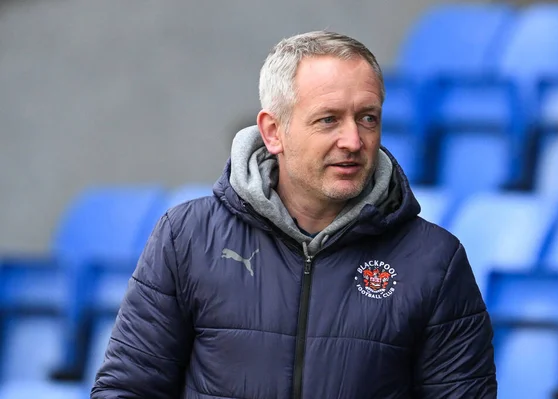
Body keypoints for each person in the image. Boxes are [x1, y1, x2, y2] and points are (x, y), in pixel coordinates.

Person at [91, 30, 496, 399]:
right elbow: (128, 388)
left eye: (367, 118)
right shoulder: (187, 237)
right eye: (329, 119)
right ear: (273, 132)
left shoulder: (434, 261)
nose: (353, 140)